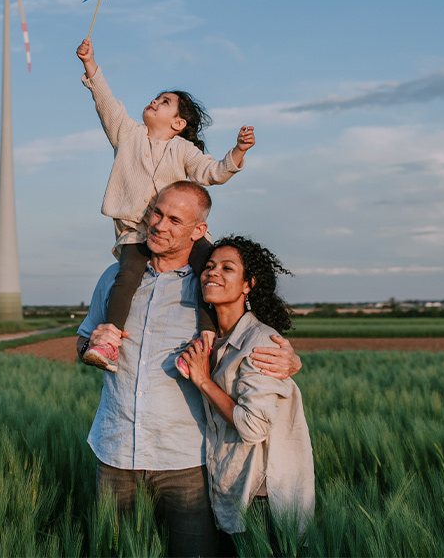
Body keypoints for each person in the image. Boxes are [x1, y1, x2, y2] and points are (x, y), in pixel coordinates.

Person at [76, 182, 302, 558]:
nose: (159, 225)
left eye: (175, 220)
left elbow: (253, 338)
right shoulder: (114, 280)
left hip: (185, 461)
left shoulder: (211, 288)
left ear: (198, 231)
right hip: (113, 451)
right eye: (157, 213)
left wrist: (293, 359)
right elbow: (84, 341)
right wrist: (88, 347)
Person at [76, 37, 255, 374]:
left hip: (178, 231)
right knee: (126, 277)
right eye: (156, 98)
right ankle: (109, 340)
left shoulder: (183, 150)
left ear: (178, 123)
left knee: (207, 267)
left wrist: (238, 152)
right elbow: (107, 104)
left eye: (165, 101)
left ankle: (205, 341)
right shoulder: (127, 133)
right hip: (135, 229)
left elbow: (212, 171)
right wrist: (90, 65)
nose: (154, 101)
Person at [180, 236, 315, 553]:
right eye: (210, 266)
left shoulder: (262, 341)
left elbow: (253, 427)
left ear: (248, 285)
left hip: (260, 501)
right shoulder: (215, 340)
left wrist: (203, 380)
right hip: (230, 491)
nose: (213, 272)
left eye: (228, 268)